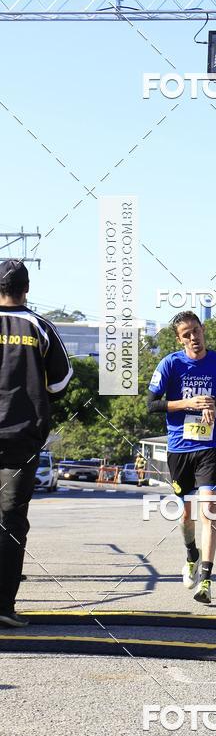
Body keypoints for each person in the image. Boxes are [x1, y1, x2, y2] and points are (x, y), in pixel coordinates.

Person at [0, 260, 73, 627]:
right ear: (26, 289)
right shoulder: (40, 326)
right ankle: (3, 606)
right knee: (11, 520)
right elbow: (60, 383)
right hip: (21, 437)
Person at [147, 311, 216, 605]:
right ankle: (191, 554)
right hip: (179, 449)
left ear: (203, 329)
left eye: (196, 331)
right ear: (179, 339)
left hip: (210, 446)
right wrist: (188, 403)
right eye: (186, 334)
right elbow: (151, 405)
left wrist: (214, 405)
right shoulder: (170, 363)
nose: (193, 338)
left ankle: (207, 581)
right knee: (186, 514)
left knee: (209, 508)